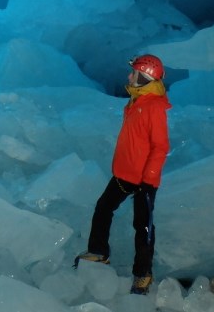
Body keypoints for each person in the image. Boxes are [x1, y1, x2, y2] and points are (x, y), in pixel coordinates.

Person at [73, 53, 171, 296]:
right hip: (124, 173)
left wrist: (148, 179)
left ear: (145, 77)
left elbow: (160, 147)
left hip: (144, 179)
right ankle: (98, 252)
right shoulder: (136, 101)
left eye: (134, 73)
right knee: (103, 207)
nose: (129, 76)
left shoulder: (154, 107)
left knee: (143, 226)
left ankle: (143, 274)